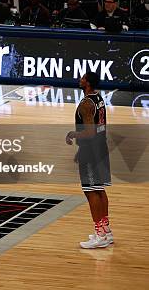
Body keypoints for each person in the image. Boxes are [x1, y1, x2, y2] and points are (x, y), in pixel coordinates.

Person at [66, 72, 113, 249]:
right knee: (99, 189)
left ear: (88, 83)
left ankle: (100, 235)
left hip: (92, 151)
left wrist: (73, 135)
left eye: (83, 78)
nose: (80, 80)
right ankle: (106, 230)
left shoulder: (86, 103)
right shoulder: (98, 99)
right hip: (100, 148)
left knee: (91, 191)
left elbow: (90, 132)